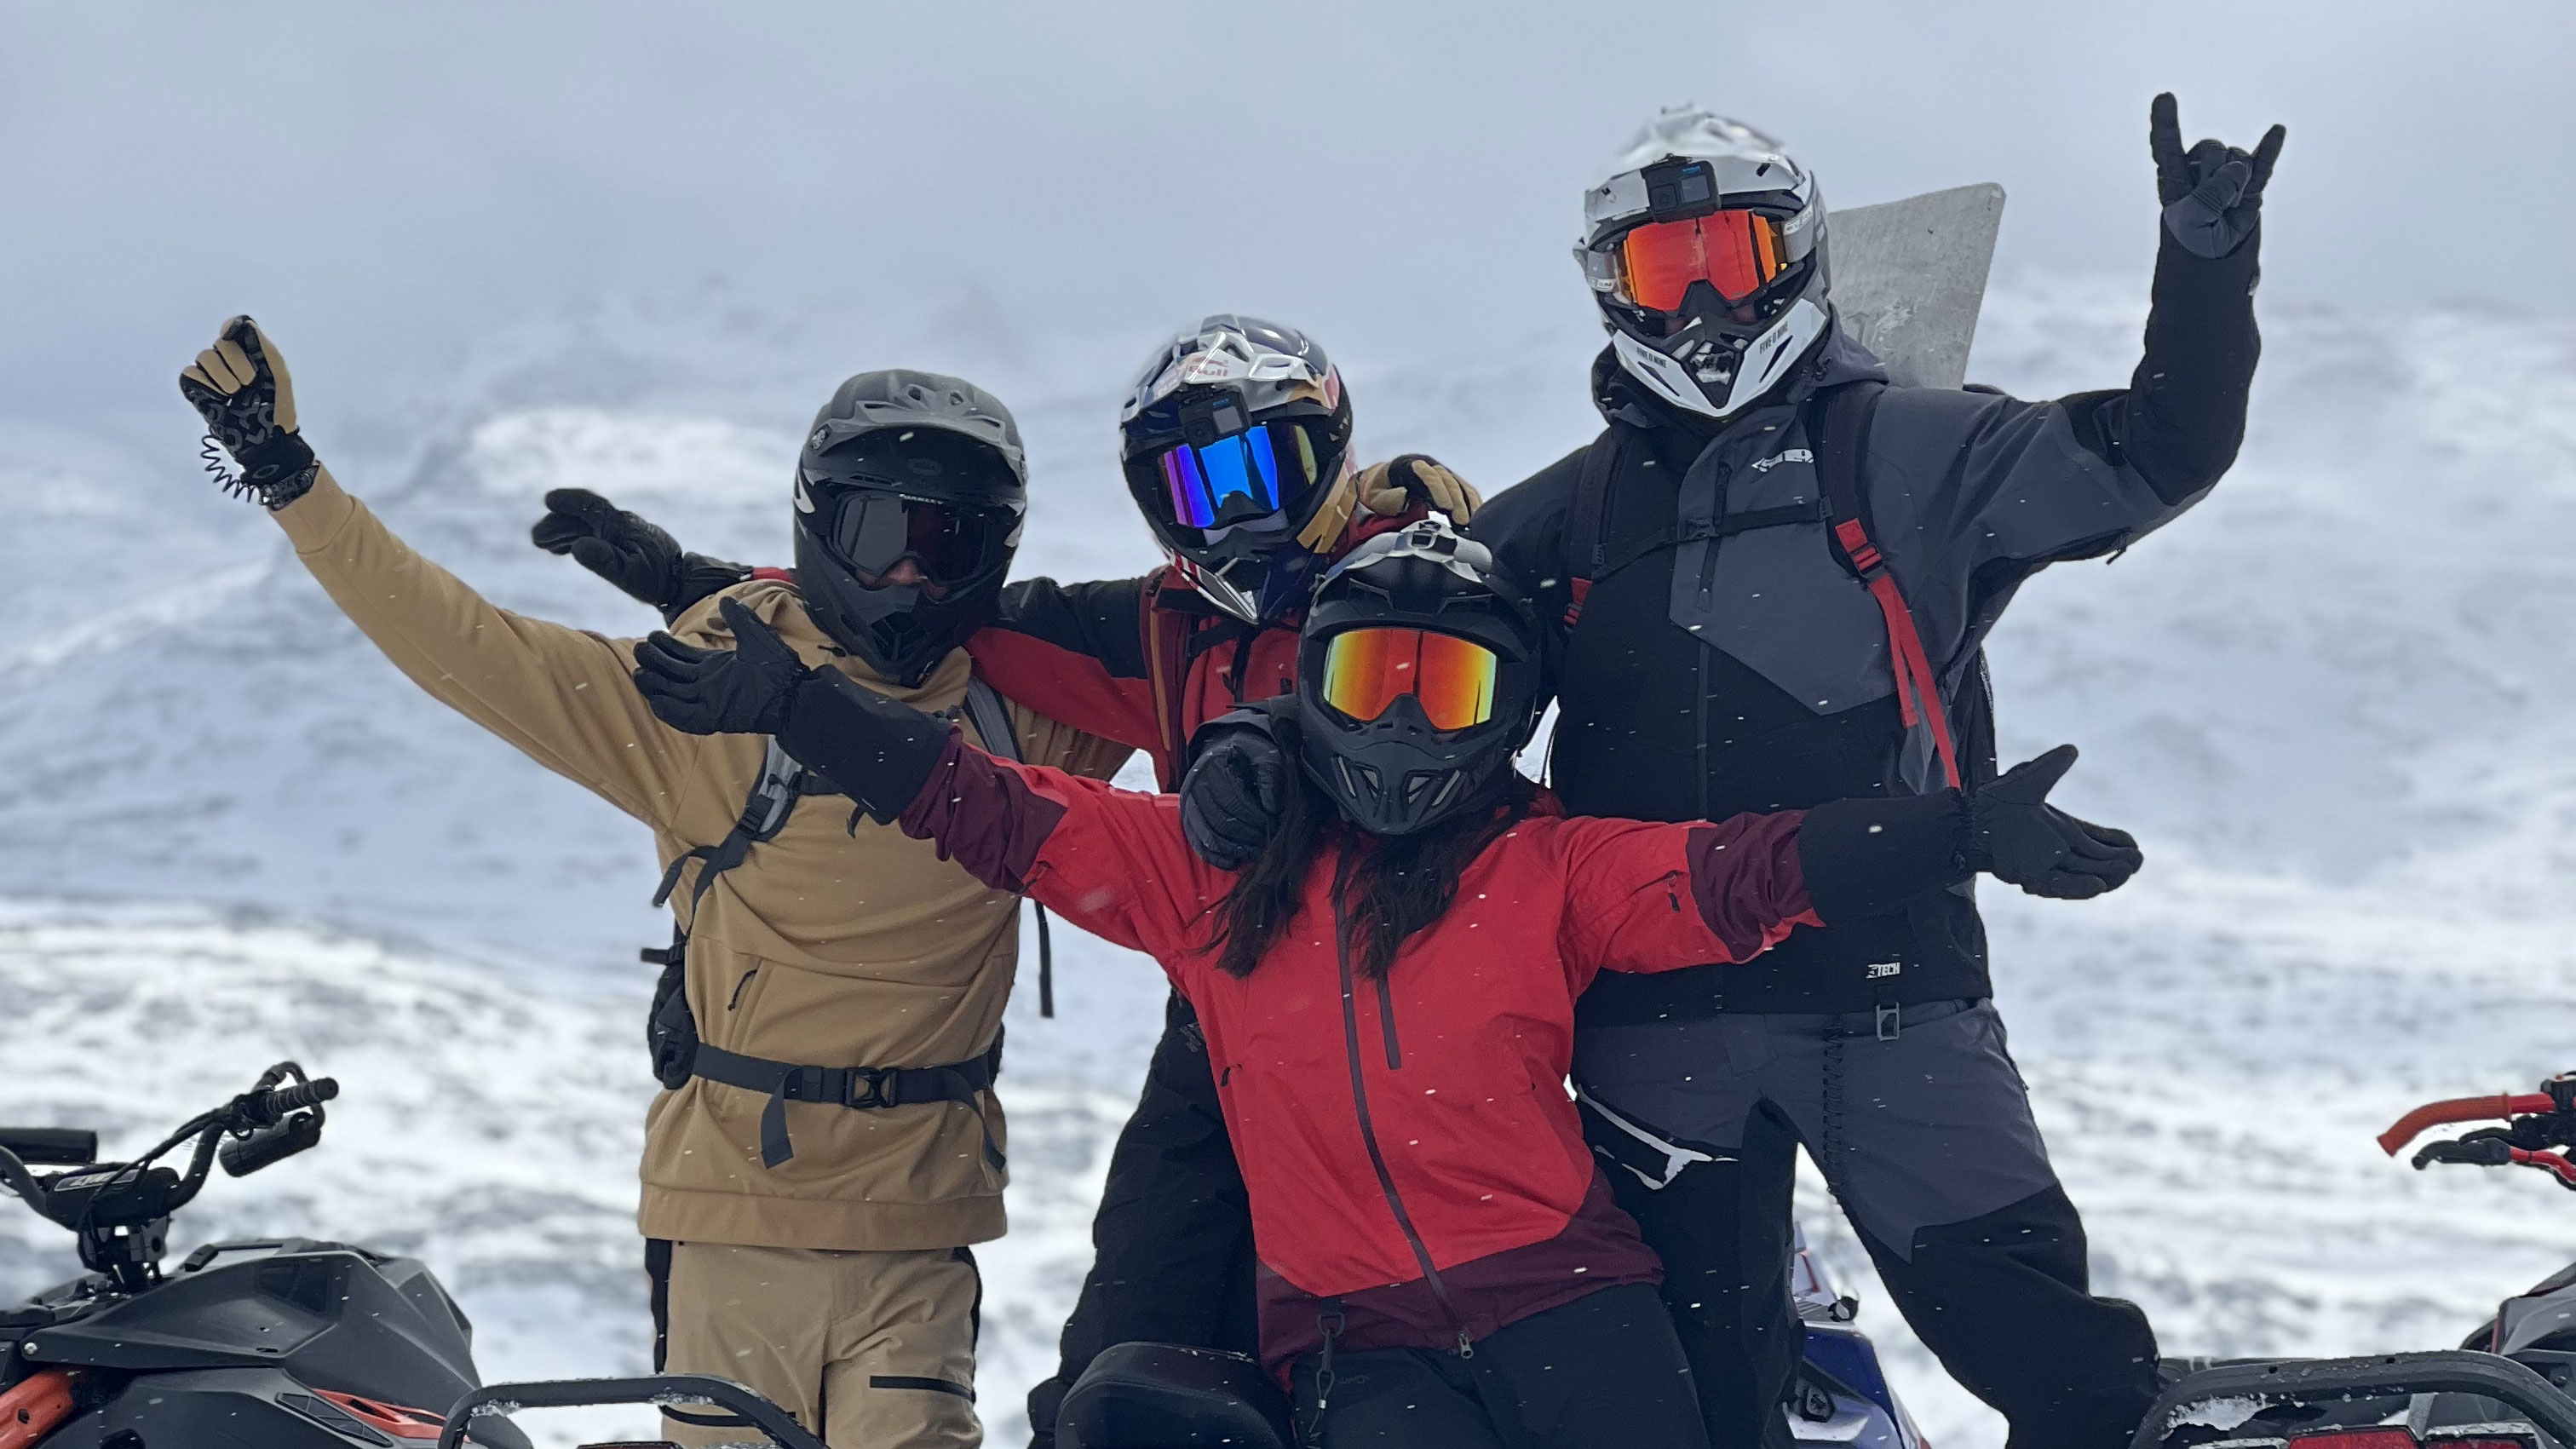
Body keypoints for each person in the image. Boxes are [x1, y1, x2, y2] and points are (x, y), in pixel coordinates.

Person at [1176, 95, 2285, 1449]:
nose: (1699, 302)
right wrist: (1256, 747)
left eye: (1730, 257)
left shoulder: (1914, 451)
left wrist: (2206, 268)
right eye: (1661, 268)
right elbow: (1387, 662)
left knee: (2064, 1372)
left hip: (1893, 1012)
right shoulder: (1569, 512)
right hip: (1656, 1037)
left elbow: (2156, 453)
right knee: (1698, 1413)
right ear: (1610, 292)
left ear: (1799, 256)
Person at [628, 514, 2142, 1449]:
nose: (1409, 731)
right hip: (1362, 1342)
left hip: (1575, 1309)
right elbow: (985, 804)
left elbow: (1746, 872)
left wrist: (1959, 830)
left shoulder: (1550, 867)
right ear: (1312, 696)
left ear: (1508, 715)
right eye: (1374, 683)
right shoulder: (1204, 877)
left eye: (1450, 688)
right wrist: (795, 701)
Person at [178, 319, 1130, 1449]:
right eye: (879, 535)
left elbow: (1217, 644)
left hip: (918, 1228)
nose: (910, 575)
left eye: (951, 541)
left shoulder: (1030, 711)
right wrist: (293, 481)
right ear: (822, 527)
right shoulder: (703, 697)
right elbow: (465, 645)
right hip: (735, 1225)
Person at [531, 315, 1480, 1442]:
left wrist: (1417, 530)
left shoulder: (1415, 595)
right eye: (1191, 485)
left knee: (1383, 1359)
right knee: (1119, 1368)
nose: (1233, 514)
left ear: (1331, 451)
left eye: (1261, 466)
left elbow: (1525, 612)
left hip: (1412, 1032)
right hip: (1226, 1034)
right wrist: (711, 581)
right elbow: (934, 606)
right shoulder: (1162, 629)